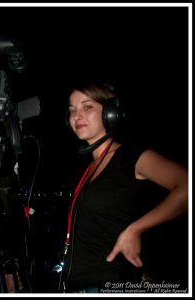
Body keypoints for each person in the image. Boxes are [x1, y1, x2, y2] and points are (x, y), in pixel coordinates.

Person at [59, 79, 188, 293]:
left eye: (87, 106)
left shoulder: (131, 157)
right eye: (72, 110)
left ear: (111, 113)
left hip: (110, 283)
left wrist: (136, 229)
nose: (77, 115)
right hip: (77, 285)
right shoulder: (86, 170)